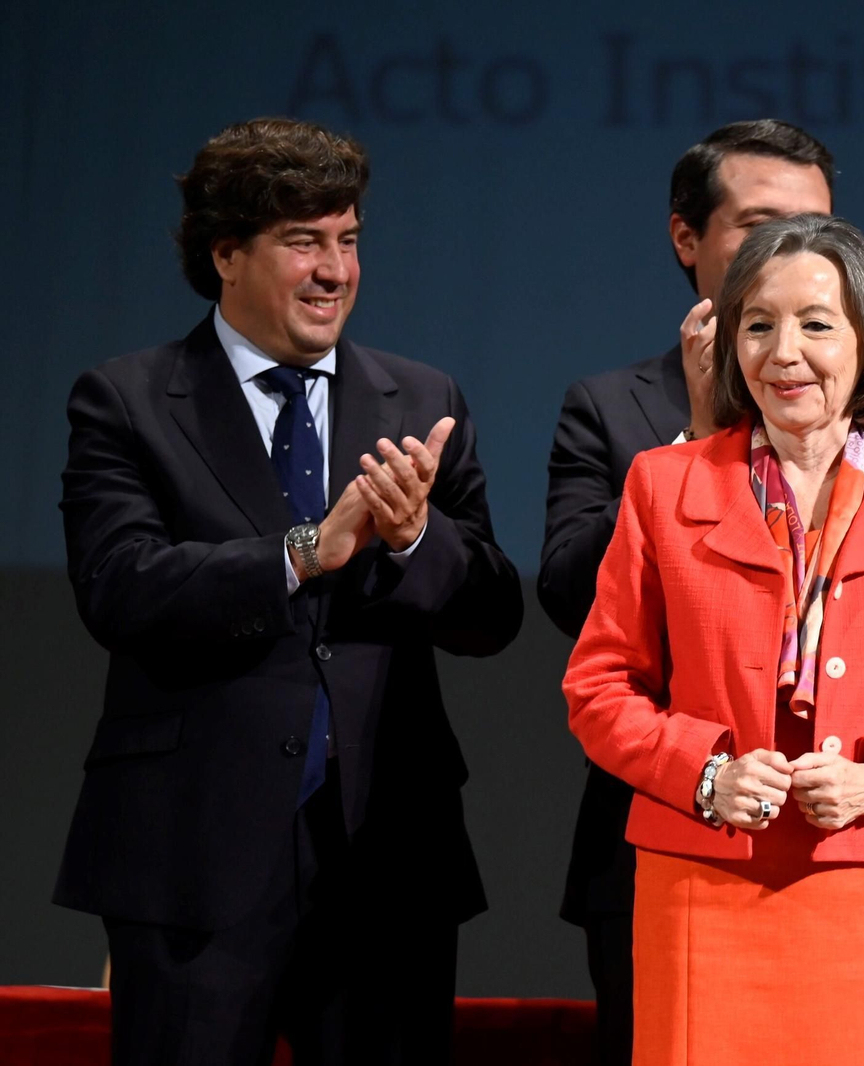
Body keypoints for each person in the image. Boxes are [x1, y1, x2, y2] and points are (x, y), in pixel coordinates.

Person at [54, 118, 524, 1064]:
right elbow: (121, 588)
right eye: (302, 242)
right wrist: (308, 550)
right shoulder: (127, 400)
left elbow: (491, 613)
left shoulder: (423, 401)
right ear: (225, 254)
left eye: (347, 240)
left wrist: (414, 537)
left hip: (388, 857)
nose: (334, 271)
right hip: (194, 855)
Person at [537, 118, 864, 1064]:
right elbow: (597, 681)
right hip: (704, 873)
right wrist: (704, 773)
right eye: (760, 325)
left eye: (817, 325)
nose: (786, 352)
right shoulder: (661, 477)